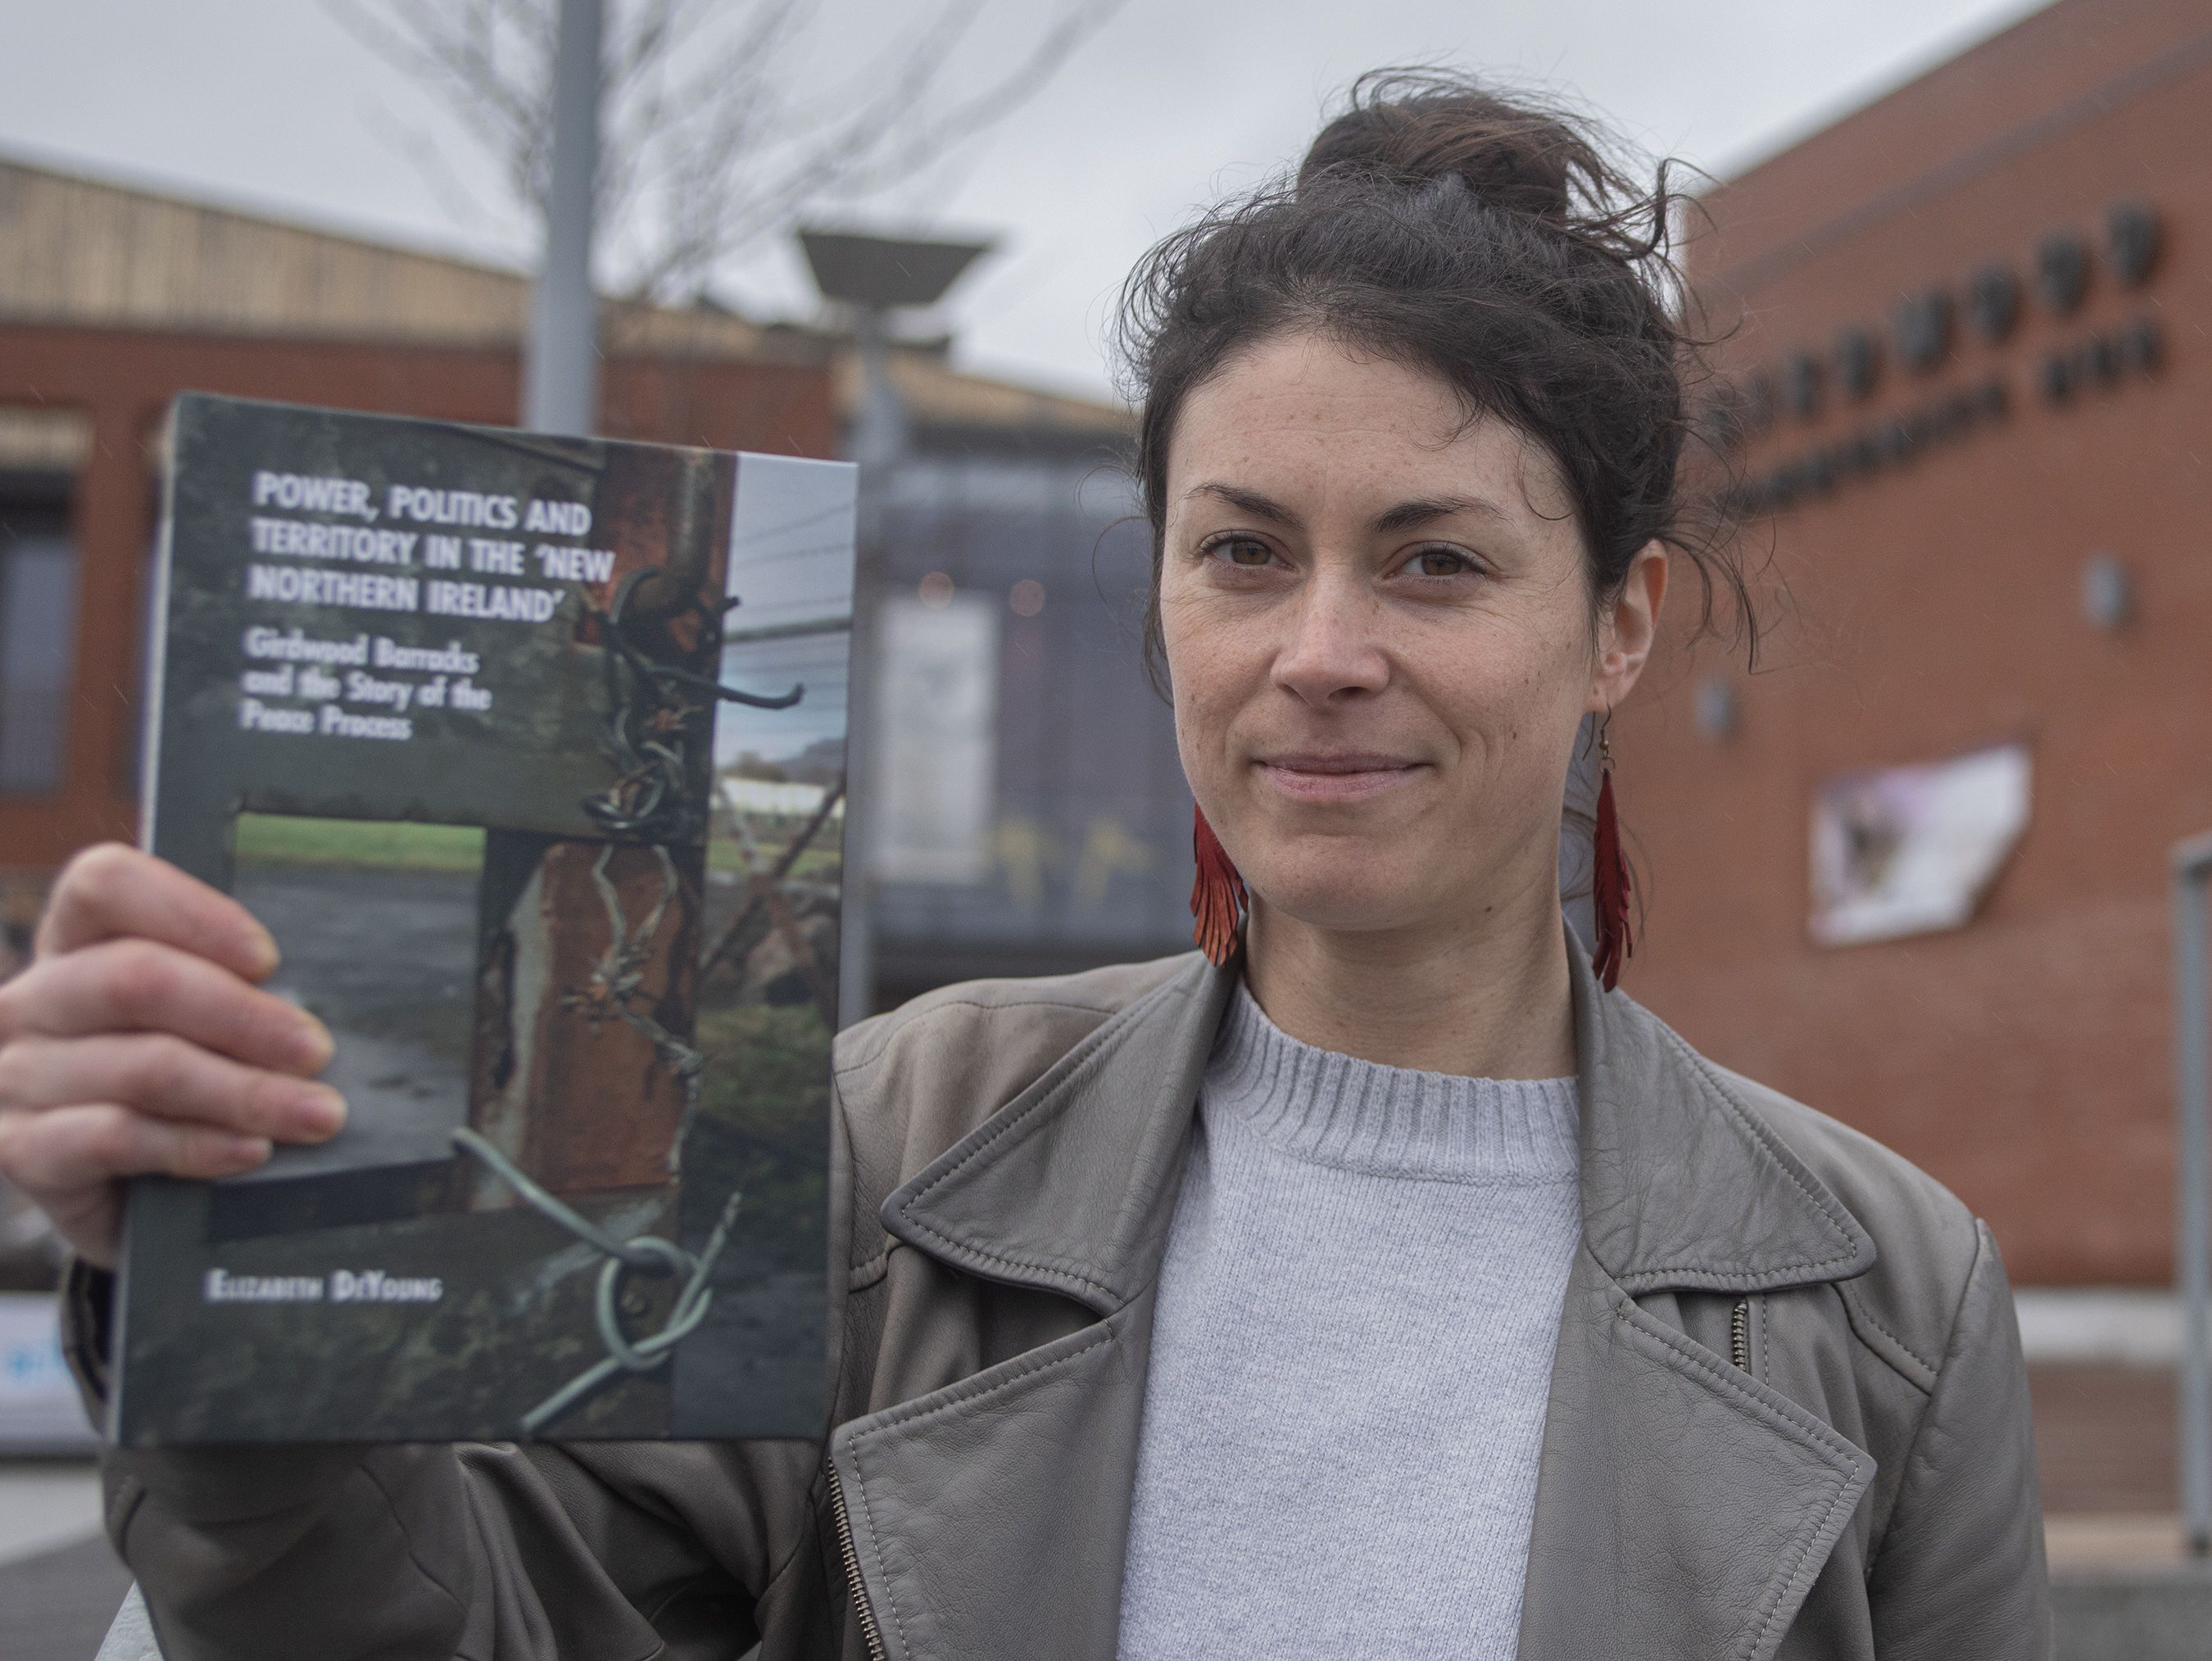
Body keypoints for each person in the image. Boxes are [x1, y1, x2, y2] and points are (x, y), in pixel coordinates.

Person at [0, 71, 2048, 1661]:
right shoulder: (883, 1152)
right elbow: (436, 1626)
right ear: (1160, 601)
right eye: (1243, 552)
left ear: (1621, 624)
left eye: (1434, 559)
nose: (1320, 654)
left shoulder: (1885, 1298)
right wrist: (221, 1273)